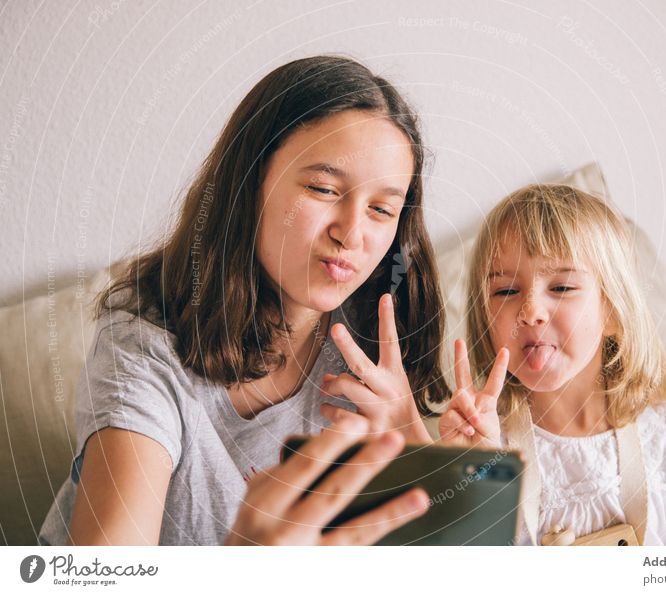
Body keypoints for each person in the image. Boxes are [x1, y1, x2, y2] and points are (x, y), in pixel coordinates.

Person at [37, 55, 448, 546]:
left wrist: (417, 444)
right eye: (322, 188)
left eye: (382, 209)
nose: (352, 233)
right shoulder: (143, 346)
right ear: (250, 182)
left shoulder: (375, 334)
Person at [437, 184, 666, 545]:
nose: (531, 312)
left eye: (562, 288)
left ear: (613, 311)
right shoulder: (487, 447)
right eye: (506, 291)